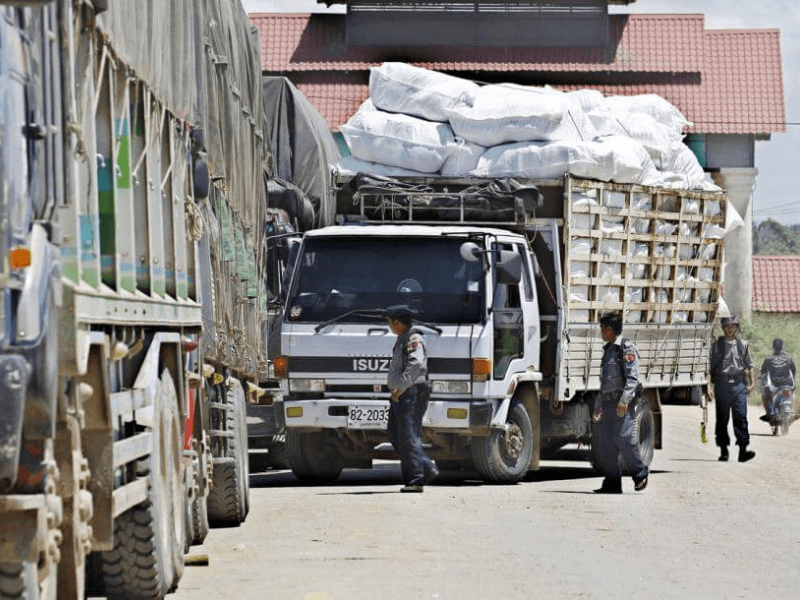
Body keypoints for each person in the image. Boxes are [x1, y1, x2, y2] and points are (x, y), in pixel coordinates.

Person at [592, 312, 649, 494]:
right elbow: (604, 383)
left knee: (625, 439)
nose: (601, 331)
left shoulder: (625, 348)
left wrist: (625, 401)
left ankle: (640, 474)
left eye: (603, 328)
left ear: (610, 330)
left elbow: (633, 378)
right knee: (607, 442)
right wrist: (598, 405)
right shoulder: (608, 351)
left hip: (622, 403)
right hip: (608, 403)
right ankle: (612, 482)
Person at [385, 304, 438, 493]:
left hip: (412, 391)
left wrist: (401, 386)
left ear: (397, 323)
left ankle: (416, 480)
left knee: (409, 436)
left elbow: (415, 363)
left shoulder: (413, 338)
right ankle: (426, 466)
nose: (389, 326)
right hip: (402, 392)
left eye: (390, 322)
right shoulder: (403, 338)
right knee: (394, 432)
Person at [709, 315, 756, 462]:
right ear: (722, 328)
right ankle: (724, 451)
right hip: (722, 385)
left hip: (739, 385)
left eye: (733, 326)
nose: (730, 329)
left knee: (741, 418)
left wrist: (752, 383)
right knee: (722, 419)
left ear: (737, 327)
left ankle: (743, 451)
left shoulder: (743, 345)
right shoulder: (716, 346)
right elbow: (709, 368)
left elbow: (750, 365)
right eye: (727, 326)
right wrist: (709, 387)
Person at [759, 338, 797, 421]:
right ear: (782, 347)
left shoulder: (768, 359)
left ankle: (769, 413)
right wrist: (793, 380)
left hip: (774, 385)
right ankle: (793, 411)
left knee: (765, 394)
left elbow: (763, 372)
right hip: (787, 383)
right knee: (792, 393)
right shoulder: (789, 358)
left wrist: (761, 379)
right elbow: (794, 370)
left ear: (773, 347)